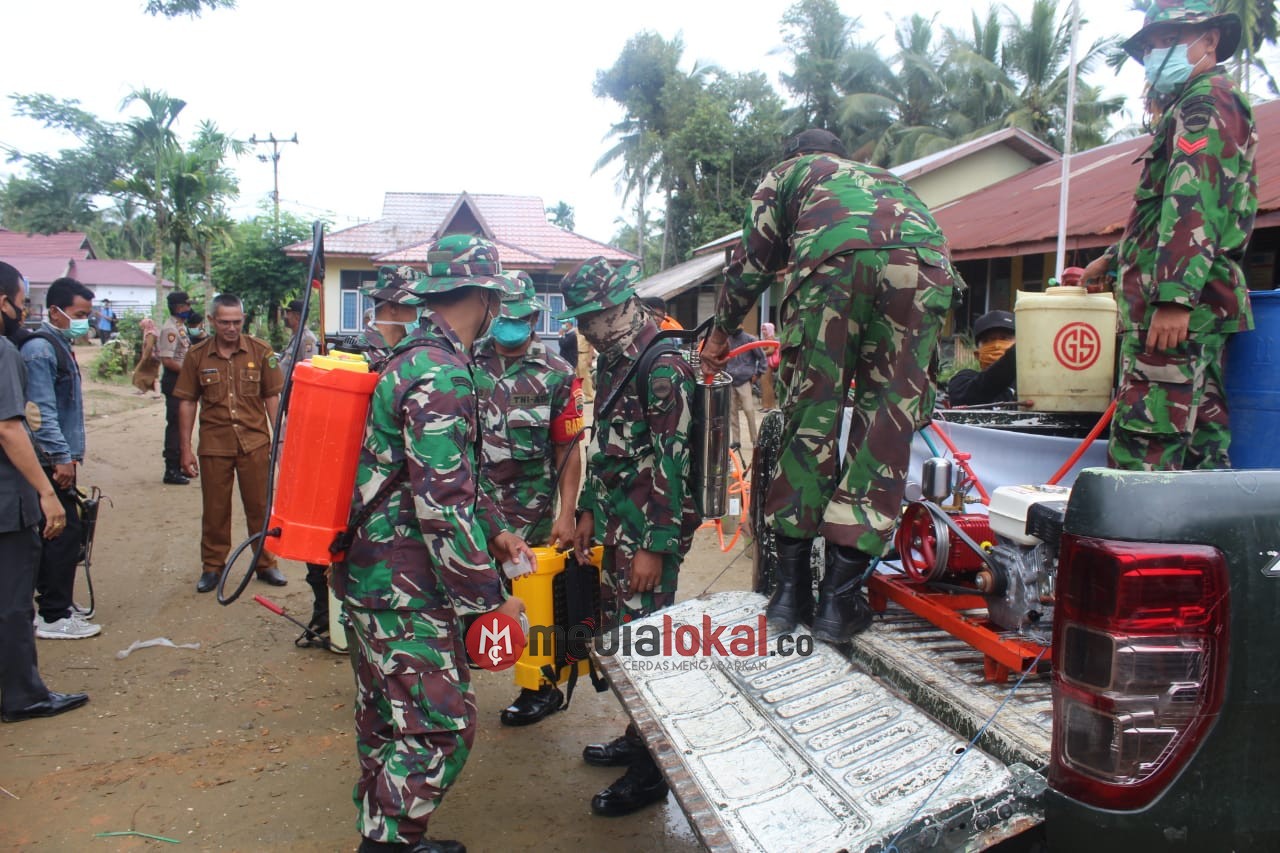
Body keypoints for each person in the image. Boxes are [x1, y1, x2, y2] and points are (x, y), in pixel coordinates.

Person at [703, 128, 958, 644]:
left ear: (794, 155)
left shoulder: (788, 173)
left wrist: (719, 333)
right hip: (926, 267)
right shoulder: (883, 178)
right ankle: (838, 606)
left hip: (834, 266)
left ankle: (789, 597)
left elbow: (752, 262)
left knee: (811, 420)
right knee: (886, 425)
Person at [330, 240, 530, 853]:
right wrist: (487, 601)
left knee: (385, 715)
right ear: (487, 297)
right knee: (441, 725)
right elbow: (441, 508)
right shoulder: (440, 371)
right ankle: (388, 844)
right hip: (405, 583)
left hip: (372, 571)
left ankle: (387, 829)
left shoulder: (417, 357)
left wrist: (494, 526)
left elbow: (453, 479)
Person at [1082, 0, 1256, 471]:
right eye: (1153, 44)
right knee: (1199, 451)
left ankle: (1141, 543)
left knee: (1146, 454)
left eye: (1170, 39)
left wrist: (1174, 299)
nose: (1158, 52)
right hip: (1194, 310)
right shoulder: (1196, 103)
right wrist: (1114, 260)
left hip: (1180, 313)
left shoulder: (1204, 102)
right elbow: (1171, 212)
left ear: (1210, 40)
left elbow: (1192, 200)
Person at [560, 257, 700, 818]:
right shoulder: (619, 359)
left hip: (648, 530)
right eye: (582, 320)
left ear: (621, 304)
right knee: (623, 635)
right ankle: (637, 735)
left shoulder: (663, 364)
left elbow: (674, 461)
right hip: (620, 520)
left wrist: (656, 546)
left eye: (591, 317)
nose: (584, 330)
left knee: (647, 647)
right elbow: (609, 439)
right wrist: (590, 507)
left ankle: (652, 771)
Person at [474, 274, 584, 727]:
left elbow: (567, 448)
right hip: (473, 506)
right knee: (467, 588)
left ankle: (538, 686)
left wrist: (567, 512)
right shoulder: (465, 360)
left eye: (518, 317)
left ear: (535, 317)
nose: (508, 326)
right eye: (502, 316)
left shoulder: (557, 373)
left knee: (534, 600)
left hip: (531, 511)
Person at [0, 261, 87, 722]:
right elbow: (13, 428)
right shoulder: (11, 351)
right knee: (13, 605)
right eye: (20, 301)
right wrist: (47, 490)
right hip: (8, 501)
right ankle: (23, 696)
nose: (22, 310)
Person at [174, 293, 287, 594]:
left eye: (237, 322)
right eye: (224, 322)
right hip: (215, 445)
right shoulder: (197, 356)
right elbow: (187, 402)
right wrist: (184, 448)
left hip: (255, 444)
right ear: (212, 320)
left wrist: (282, 443)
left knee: (260, 507)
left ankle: (266, 564)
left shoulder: (262, 352)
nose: (231, 328)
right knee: (215, 510)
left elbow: (272, 398)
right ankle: (212, 567)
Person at [21, 277, 102, 640]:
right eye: (79, 314)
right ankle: (53, 615)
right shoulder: (40, 349)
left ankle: (59, 605)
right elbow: (41, 412)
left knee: (65, 530)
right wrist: (60, 457)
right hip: (47, 459)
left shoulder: (58, 345)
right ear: (55, 311)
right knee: (63, 531)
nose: (85, 321)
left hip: (55, 456)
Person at [157, 291, 194, 485]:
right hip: (175, 381)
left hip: (182, 381)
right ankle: (171, 469)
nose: (189, 309)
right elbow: (167, 360)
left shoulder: (180, 326)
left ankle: (181, 464)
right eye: (187, 305)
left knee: (183, 424)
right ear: (180, 307)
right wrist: (188, 372)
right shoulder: (170, 329)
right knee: (175, 425)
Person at [947, 310, 1017, 407]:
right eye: (988, 340)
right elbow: (971, 396)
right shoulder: (962, 381)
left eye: (1004, 338)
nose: (996, 345)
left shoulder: (1032, 382)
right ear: (977, 354)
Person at [725, 325, 766, 447]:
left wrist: (758, 373)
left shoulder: (750, 339)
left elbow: (762, 357)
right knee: (732, 413)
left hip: (745, 380)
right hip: (730, 379)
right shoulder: (727, 340)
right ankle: (736, 440)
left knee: (749, 410)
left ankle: (755, 440)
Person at [280, 298, 320, 373]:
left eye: (288, 313)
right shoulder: (296, 336)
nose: (285, 317)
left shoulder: (307, 339)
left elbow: (309, 368)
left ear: (297, 316)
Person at [131, 317, 161, 395]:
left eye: (143, 326)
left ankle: (144, 389)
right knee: (154, 376)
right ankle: (155, 393)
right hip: (156, 357)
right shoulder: (155, 332)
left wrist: (145, 357)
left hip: (151, 358)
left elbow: (149, 347)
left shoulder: (150, 334)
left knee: (139, 372)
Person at [760, 321, 780, 409]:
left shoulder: (770, 338)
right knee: (768, 384)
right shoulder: (767, 338)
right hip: (766, 363)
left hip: (768, 364)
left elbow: (771, 350)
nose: (763, 331)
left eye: (765, 329)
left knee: (766, 384)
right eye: (762, 329)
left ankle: (767, 406)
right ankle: (769, 405)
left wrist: (760, 353)